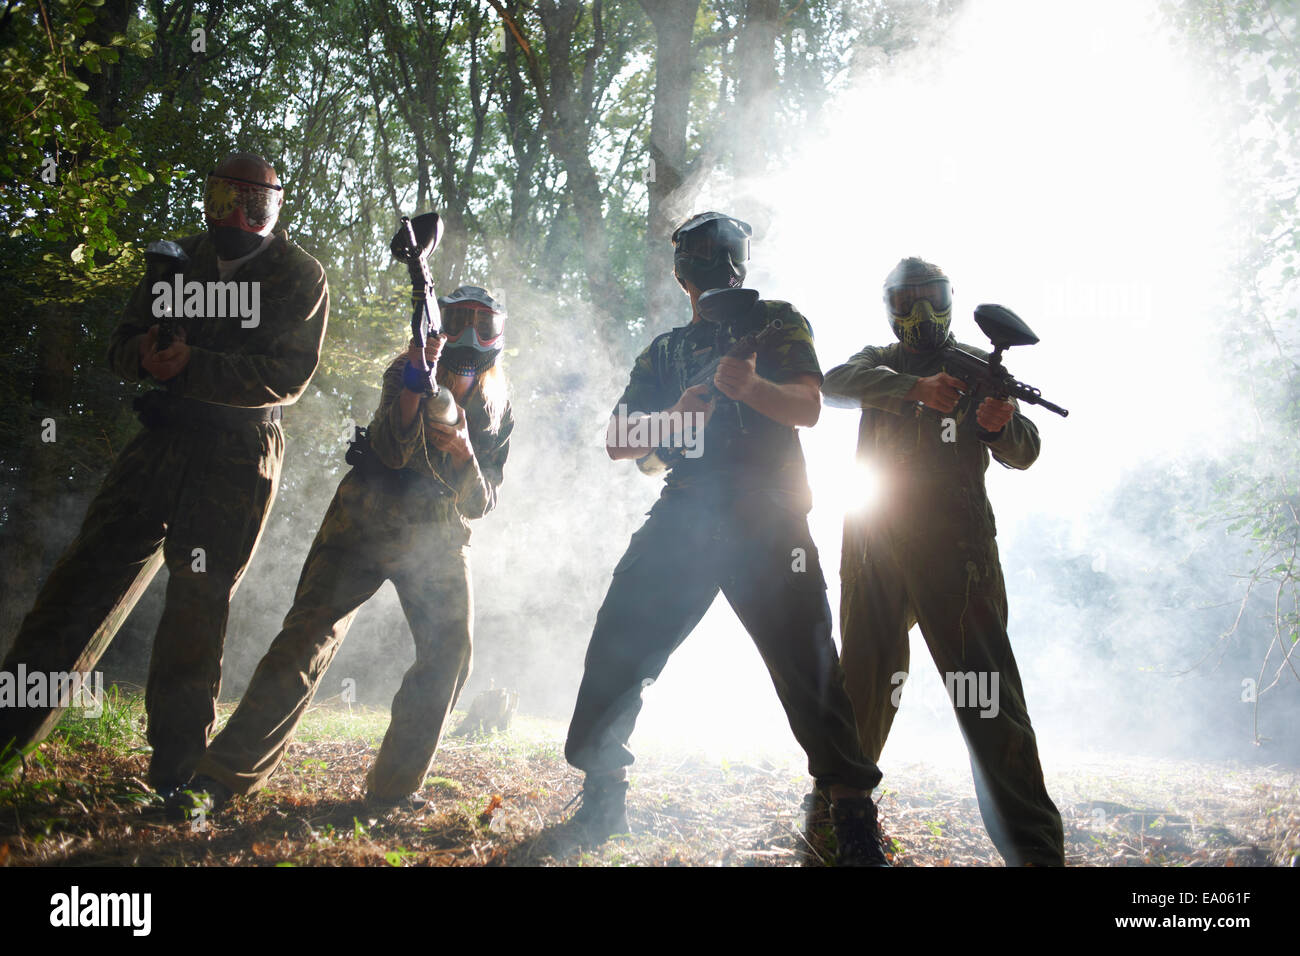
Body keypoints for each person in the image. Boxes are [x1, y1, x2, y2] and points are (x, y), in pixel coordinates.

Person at [562, 211, 888, 865]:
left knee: (810, 666)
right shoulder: (664, 352)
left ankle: (850, 810)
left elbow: (808, 408)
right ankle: (603, 792)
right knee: (619, 645)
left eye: (729, 253)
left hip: (771, 519)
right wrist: (680, 414)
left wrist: (752, 386)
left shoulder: (779, 322)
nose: (721, 265)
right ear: (684, 271)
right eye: (707, 255)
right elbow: (618, 441)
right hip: (685, 514)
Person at [0, 153, 329, 796]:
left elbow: (286, 377)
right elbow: (123, 342)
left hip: (236, 454)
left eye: (254, 203)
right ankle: (8, 736)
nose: (238, 214)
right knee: (81, 580)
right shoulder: (176, 257)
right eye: (225, 197)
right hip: (161, 439)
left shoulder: (299, 275)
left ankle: (176, 775)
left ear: (277, 205)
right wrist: (144, 357)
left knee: (195, 608)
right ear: (208, 197)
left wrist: (192, 365)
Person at [180, 264, 513, 812]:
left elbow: (482, 502)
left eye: (483, 323)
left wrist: (465, 454)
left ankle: (391, 791)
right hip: (365, 516)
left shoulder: (498, 409)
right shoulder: (405, 371)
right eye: (459, 321)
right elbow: (388, 451)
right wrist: (414, 383)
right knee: (307, 637)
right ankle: (221, 778)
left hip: (437, 536)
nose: (470, 335)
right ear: (440, 327)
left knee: (450, 653)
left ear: (497, 336)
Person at [821, 256, 1065, 866]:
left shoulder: (977, 371)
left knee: (986, 696)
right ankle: (835, 813)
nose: (919, 313)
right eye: (907, 301)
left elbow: (1027, 449)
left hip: (956, 553)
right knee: (862, 687)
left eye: (930, 298)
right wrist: (915, 389)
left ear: (950, 303)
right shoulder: (879, 362)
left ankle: (1033, 849)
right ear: (890, 308)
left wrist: (997, 423)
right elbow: (833, 382)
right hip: (875, 543)